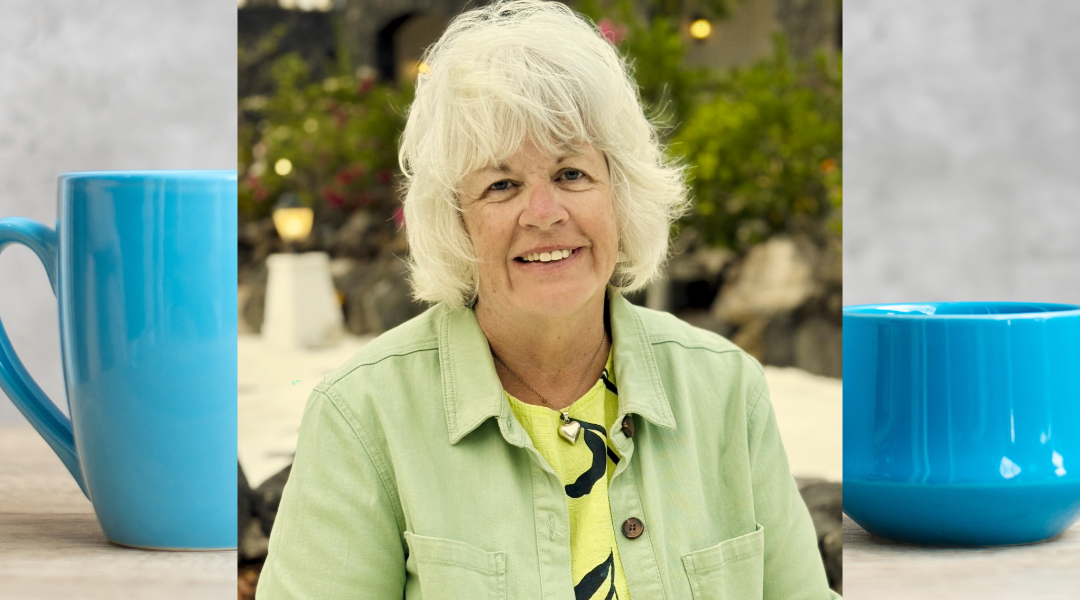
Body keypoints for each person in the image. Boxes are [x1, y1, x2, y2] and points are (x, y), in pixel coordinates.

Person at [257, 1, 838, 598]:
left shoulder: (727, 391)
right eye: (501, 185)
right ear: (456, 220)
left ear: (621, 193)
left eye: (571, 174)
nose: (544, 214)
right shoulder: (363, 415)